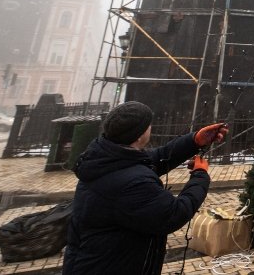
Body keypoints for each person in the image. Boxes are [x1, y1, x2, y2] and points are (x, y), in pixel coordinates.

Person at [62, 101, 228, 275]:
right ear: (139, 134)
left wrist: (194, 141)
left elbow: (156, 158)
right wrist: (200, 175)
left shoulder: (105, 158)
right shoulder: (133, 184)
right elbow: (174, 214)